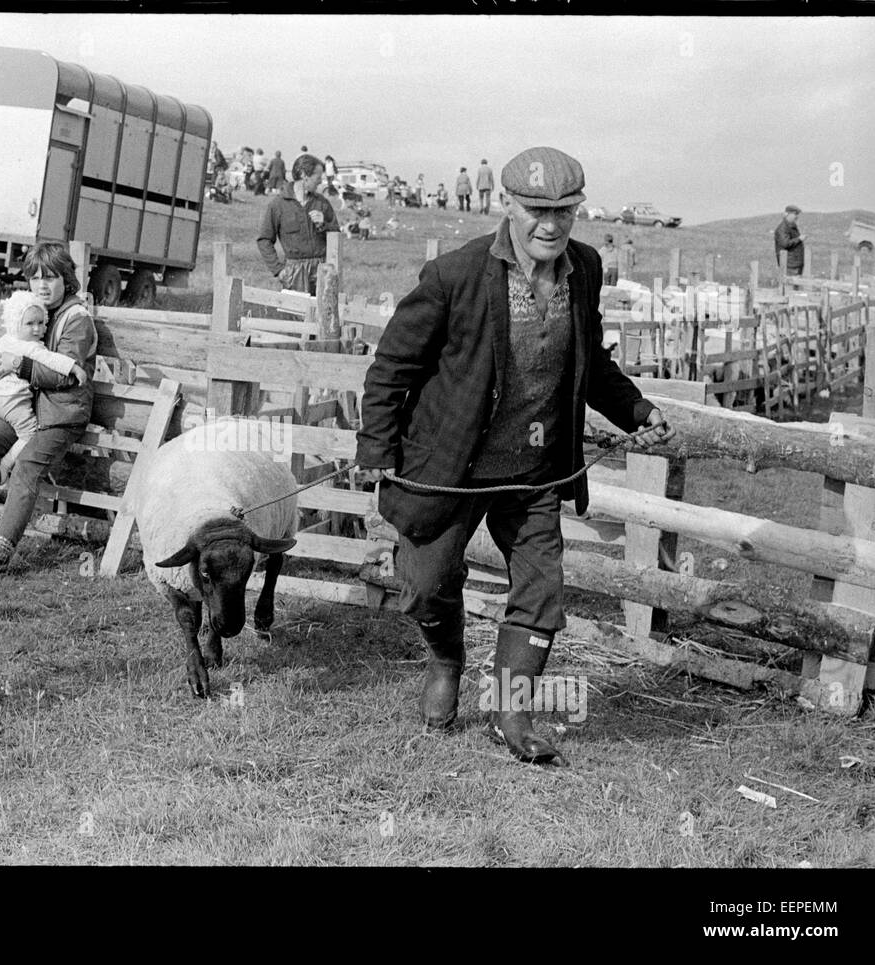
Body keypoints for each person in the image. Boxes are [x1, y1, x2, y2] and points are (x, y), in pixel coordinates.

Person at [355, 146, 676, 766]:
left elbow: (592, 360)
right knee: (424, 586)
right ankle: (447, 660)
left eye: (564, 210)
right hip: (451, 467)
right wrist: (376, 446)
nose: (550, 225)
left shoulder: (585, 267)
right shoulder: (456, 275)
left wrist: (636, 409)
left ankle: (513, 712)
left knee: (541, 591)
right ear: (509, 206)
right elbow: (393, 365)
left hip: (535, 472)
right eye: (536, 210)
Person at [0, 242, 98, 582]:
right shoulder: (35, 310)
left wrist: (16, 365)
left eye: (51, 277)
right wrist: (0, 365)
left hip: (62, 415)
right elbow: (14, 347)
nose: (42, 285)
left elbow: (66, 373)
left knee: (26, 466)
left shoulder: (76, 319)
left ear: (67, 278)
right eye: (35, 278)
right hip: (28, 411)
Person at [0, 290, 89, 480]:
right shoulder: (32, 347)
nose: (37, 329)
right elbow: (53, 360)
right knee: (29, 434)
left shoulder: (1, 341)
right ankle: (5, 465)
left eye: (41, 323)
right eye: (30, 324)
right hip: (12, 403)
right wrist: (74, 368)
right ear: (16, 323)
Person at [256, 153, 339, 296]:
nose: (321, 181)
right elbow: (264, 240)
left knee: (325, 315)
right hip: (294, 272)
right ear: (304, 175)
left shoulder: (322, 203)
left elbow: (337, 237)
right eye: (318, 177)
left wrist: (324, 225)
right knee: (295, 317)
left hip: (321, 270)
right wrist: (278, 270)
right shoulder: (278, 205)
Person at [774, 204, 805, 277]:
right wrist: (799, 239)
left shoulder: (791, 226)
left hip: (795, 265)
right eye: (795, 214)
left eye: (797, 214)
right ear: (787, 214)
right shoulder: (782, 228)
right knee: (789, 286)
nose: (797, 216)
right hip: (789, 266)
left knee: (795, 287)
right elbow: (785, 244)